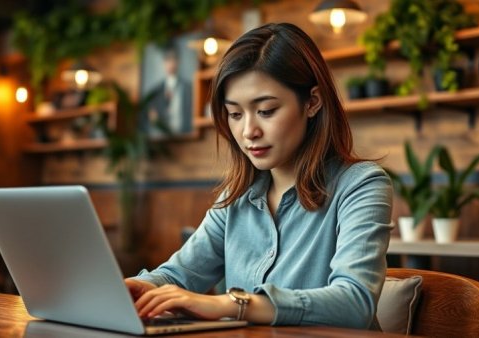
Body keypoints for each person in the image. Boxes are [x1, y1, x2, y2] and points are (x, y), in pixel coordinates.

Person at [126, 22, 393, 330]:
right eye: (235, 114)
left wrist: (233, 304)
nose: (248, 132)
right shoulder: (235, 197)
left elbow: (353, 303)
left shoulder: (361, 185)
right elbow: (178, 275)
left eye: (266, 111)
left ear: (312, 102)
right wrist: (138, 288)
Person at [145, 45, 193, 137]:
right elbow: (152, 116)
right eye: (168, 60)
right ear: (164, 63)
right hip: (163, 139)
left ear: (178, 61)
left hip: (184, 137)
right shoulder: (156, 91)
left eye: (173, 59)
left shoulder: (187, 88)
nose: (171, 63)